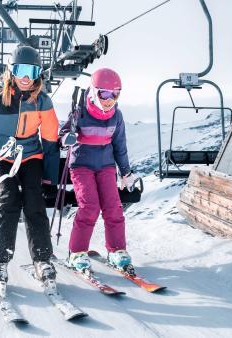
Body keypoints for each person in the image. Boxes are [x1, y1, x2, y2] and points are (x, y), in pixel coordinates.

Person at [0, 45, 60, 284]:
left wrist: (50, 179)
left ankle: (42, 259)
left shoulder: (42, 102)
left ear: (38, 73)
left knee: (34, 201)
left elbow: (50, 143)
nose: (26, 78)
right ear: (12, 71)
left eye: (32, 71)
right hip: (0, 157)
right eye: (21, 71)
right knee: (8, 198)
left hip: (30, 157)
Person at [59, 68, 138, 273]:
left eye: (115, 94)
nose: (109, 99)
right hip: (82, 165)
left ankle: (117, 250)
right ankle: (76, 252)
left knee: (113, 206)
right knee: (90, 206)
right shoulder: (80, 112)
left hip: (106, 166)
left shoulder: (116, 116)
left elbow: (120, 146)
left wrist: (126, 173)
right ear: (94, 92)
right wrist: (67, 137)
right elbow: (65, 132)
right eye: (104, 93)